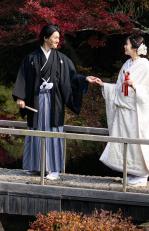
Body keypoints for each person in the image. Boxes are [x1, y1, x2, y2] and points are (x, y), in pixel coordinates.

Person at [13, 24, 89, 180]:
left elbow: (72, 78)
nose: (57, 41)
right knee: (35, 130)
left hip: (54, 102)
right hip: (35, 100)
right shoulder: (31, 58)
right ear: (45, 38)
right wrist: (20, 97)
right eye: (55, 37)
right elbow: (22, 78)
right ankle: (35, 165)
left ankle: (54, 169)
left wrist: (84, 79)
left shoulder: (61, 59)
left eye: (59, 38)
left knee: (53, 132)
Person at [87, 35, 149, 186]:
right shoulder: (127, 64)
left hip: (136, 114)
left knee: (138, 143)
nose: (124, 47)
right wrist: (103, 85)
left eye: (126, 44)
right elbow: (120, 88)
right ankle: (132, 172)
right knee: (127, 145)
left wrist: (135, 86)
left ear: (134, 48)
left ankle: (142, 175)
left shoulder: (144, 65)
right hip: (124, 113)